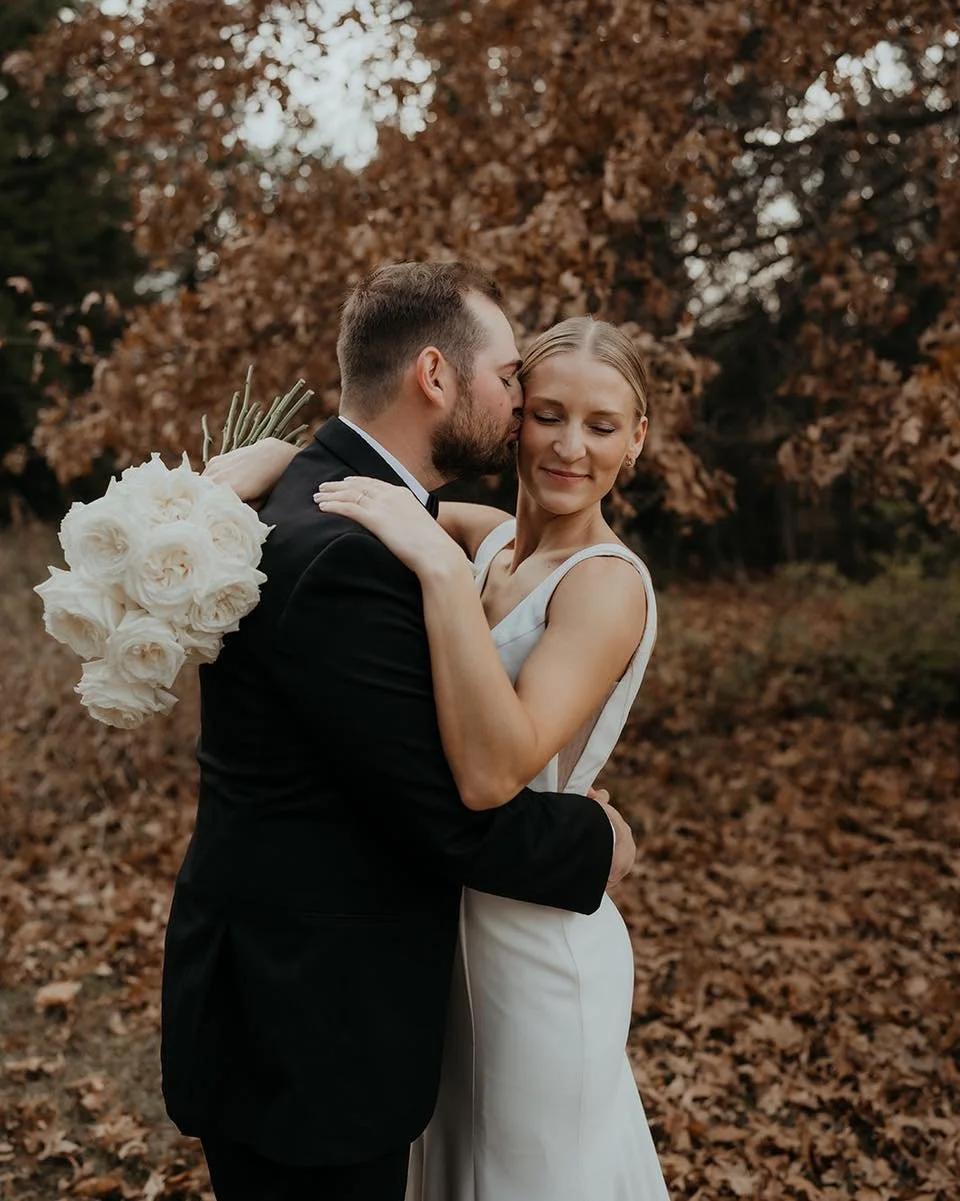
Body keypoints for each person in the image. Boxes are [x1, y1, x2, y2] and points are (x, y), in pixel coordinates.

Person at [160, 261, 637, 1201]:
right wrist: (600, 839)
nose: (522, 410)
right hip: (310, 1029)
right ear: (434, 374)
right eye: (514, 382)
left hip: (317, 999)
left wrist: (287, 454)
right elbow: (446, 813)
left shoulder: (344, 505)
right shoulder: (352, 554)